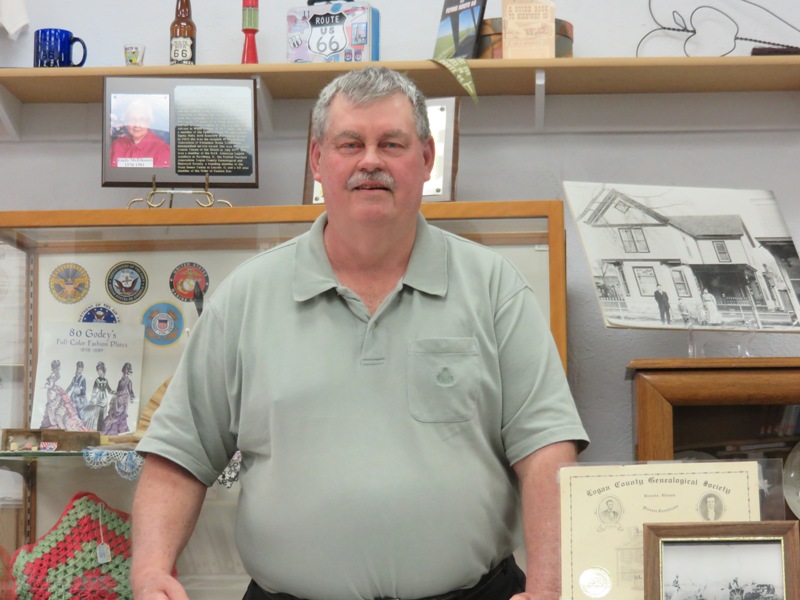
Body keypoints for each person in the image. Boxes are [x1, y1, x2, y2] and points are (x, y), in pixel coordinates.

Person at [131, 66, 589, 600]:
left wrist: (550, 588)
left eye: (391, 143)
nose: (370, 161)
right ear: (317, 160)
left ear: (426, 158)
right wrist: (150, 570)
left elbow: (546, 450)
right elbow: (179, 456)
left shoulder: (494, 289)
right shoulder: (244, 298)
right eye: (350, 144)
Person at [110, 98, 171, 169]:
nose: (137, 124)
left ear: (149, 122)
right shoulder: (117, 145)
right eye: (132, 119)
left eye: (142, 119)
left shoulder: (162, 149)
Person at [102, 362, 135, 435]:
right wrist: (114, 393)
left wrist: (132, 398)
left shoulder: (129, 381)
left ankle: (119, 431)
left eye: (127, 371)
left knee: (120, 415)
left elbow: (130, 391)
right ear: (123, 371)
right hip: (117, 398)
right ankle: (111, 431)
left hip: (123, 399)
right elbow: (118, 390)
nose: (125, 373)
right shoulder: (120, 380)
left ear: (128, 372)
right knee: (113, 414)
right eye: (125, 371)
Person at [86, 361, 115, 431]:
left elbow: (109, 390)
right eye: (98, 371)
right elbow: (93, 391)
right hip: (98, 399)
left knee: (104, 415)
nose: (99, 372)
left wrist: (113, 392)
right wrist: (92, 399)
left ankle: (102, 430)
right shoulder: (97, 380)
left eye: (100, 371)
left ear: (103, 371)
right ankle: (96, 430)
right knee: (97, 416)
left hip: (105, 399)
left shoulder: (106, 380)